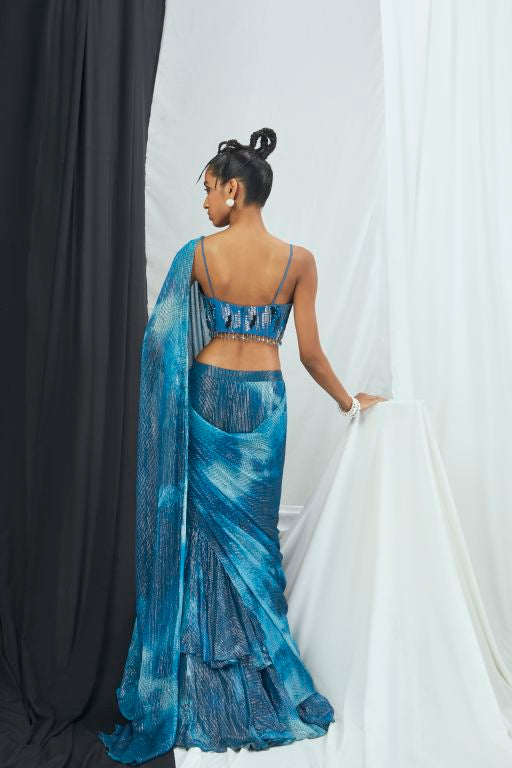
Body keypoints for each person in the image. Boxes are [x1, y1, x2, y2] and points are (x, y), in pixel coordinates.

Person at [98, 127, 387, 764]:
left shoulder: (198, 257)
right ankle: (257, 684)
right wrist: (349, 402)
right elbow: (309, 354)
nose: (204, 202)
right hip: (263, 402)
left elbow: (160, 344)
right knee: (254, 547)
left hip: (205, 396)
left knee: (202, 539)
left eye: (208, 189)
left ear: (234, 189)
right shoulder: (299, 261)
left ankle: (196, 687)